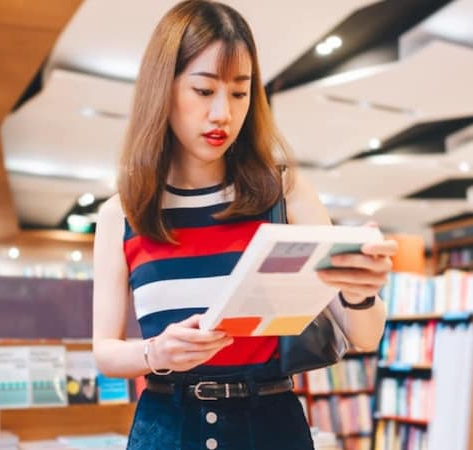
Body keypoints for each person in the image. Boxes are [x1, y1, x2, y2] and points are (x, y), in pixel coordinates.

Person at [92, 1, 396, 449]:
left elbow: (365, 337)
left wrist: (360, 291)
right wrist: (155, 352)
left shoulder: (284, 193)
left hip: (269, 424)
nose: (223, 114)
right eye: (203, 90)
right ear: (164, 88)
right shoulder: (122, 212)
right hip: (168, 427)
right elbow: (104, 351)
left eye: (239, 93)